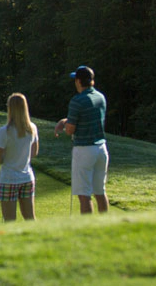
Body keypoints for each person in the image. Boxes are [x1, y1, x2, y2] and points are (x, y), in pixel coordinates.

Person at [55, 65, 109, 214]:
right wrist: (65, 121)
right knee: (100, 191)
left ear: (78, 81)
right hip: (101, 149)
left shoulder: (77, 100)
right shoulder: (100, 97)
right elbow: (86, 117)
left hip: (84, 150)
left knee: (84, 194)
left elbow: (70, 130)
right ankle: (105, 223)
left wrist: (65, 126)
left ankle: (88, 226)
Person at [0, 92, 39, 222]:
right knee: (30, 218)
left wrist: (8, 156)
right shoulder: (32, 128)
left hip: (9, 178)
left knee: (9, 220)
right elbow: (34, 153)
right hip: (27, 177)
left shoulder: (5, 131)